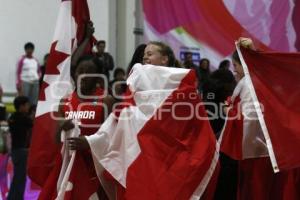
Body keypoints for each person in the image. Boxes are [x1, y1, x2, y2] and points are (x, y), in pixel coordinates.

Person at [38, 21, 114, 200]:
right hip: (70, 165)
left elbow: (113, 138)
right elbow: (57, 140)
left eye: (88, 72)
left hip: (95, 167)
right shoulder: (65, 101)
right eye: (80, 71)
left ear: (96, 77)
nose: (82, 75)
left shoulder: (106, 100)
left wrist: (88, 142)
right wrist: (61, 127)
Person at [7, 96, 33, 200]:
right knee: (20, 178)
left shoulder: (12, 117)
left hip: (15, 151)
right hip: (22, 151)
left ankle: (13, 197)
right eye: (27, 105)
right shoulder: (23, 118)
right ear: (21, 106)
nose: (28, 107)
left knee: (17, 177)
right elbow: (32, 124)